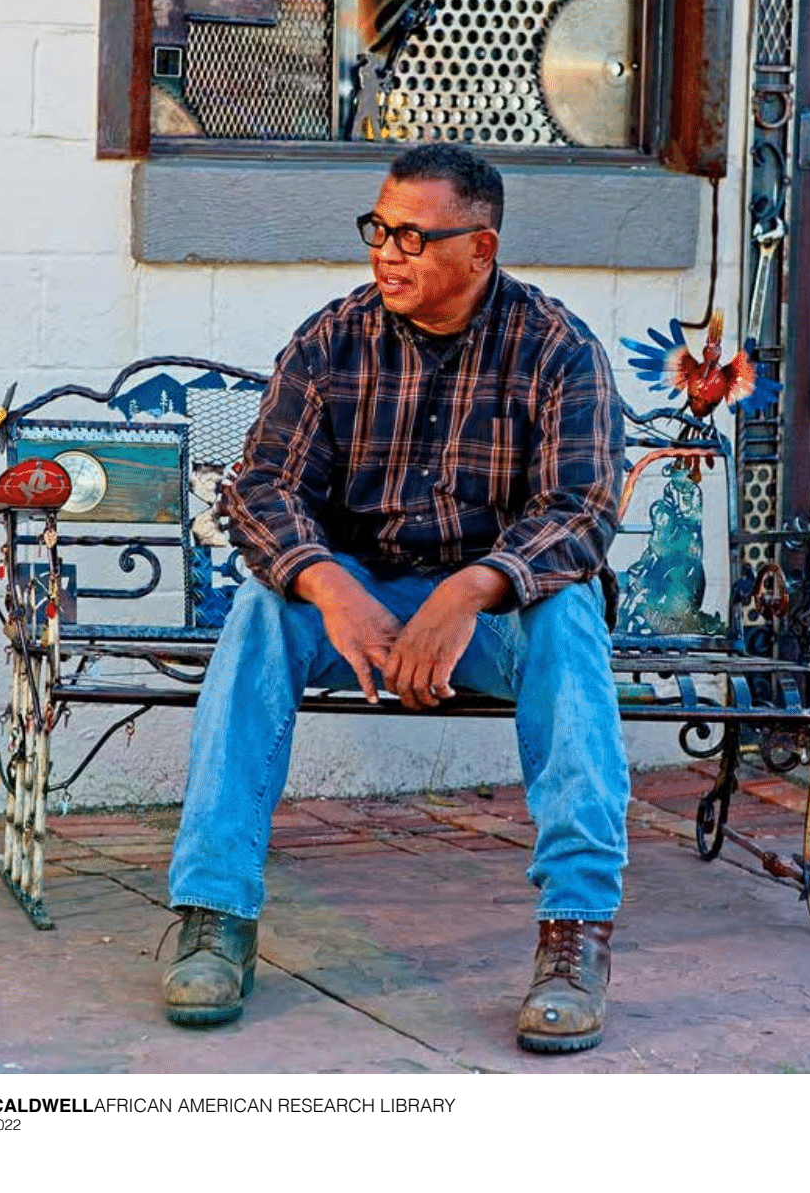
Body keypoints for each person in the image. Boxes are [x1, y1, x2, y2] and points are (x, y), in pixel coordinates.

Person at [161, 143, 628, 1054]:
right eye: (380, 228)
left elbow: (582, 509)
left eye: (415, 235)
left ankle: (575, 933)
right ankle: (214, 914)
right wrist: (328, 583)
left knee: (569, 616)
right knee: (263, 612)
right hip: (360, 608)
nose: (388, 252)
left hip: (490, 619)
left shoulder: (557, 347)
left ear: (481, 249)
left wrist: (471, 588)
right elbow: (262, 487)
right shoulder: (333, 338)